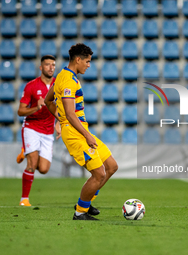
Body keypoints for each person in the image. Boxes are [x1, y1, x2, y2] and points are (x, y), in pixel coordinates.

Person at [45, 43, 118, 220]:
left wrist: (59, 118)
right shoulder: (69, 81)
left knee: (111, 166)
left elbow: (48, 101)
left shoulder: (62, 76)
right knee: (99, 173)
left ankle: (87, 200)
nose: (88, 65)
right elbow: (70, 113)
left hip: (79, 129)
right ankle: (80, 212)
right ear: (78, 60)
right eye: (87, 61)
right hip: (76, 133)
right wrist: (84, 133)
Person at [17, 55, 61, 206]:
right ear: (41, 68)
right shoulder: (31, 86)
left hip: (48, 131)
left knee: (43, 169)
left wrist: (58, 122)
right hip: (32, 128)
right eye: (47, 65)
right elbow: (20, 111)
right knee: (32, 163)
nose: (51, 67)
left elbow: (62, 106)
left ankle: (27, 151)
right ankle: (24, 199)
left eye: (53, 65)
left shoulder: (59, 84)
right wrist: (37, 107)